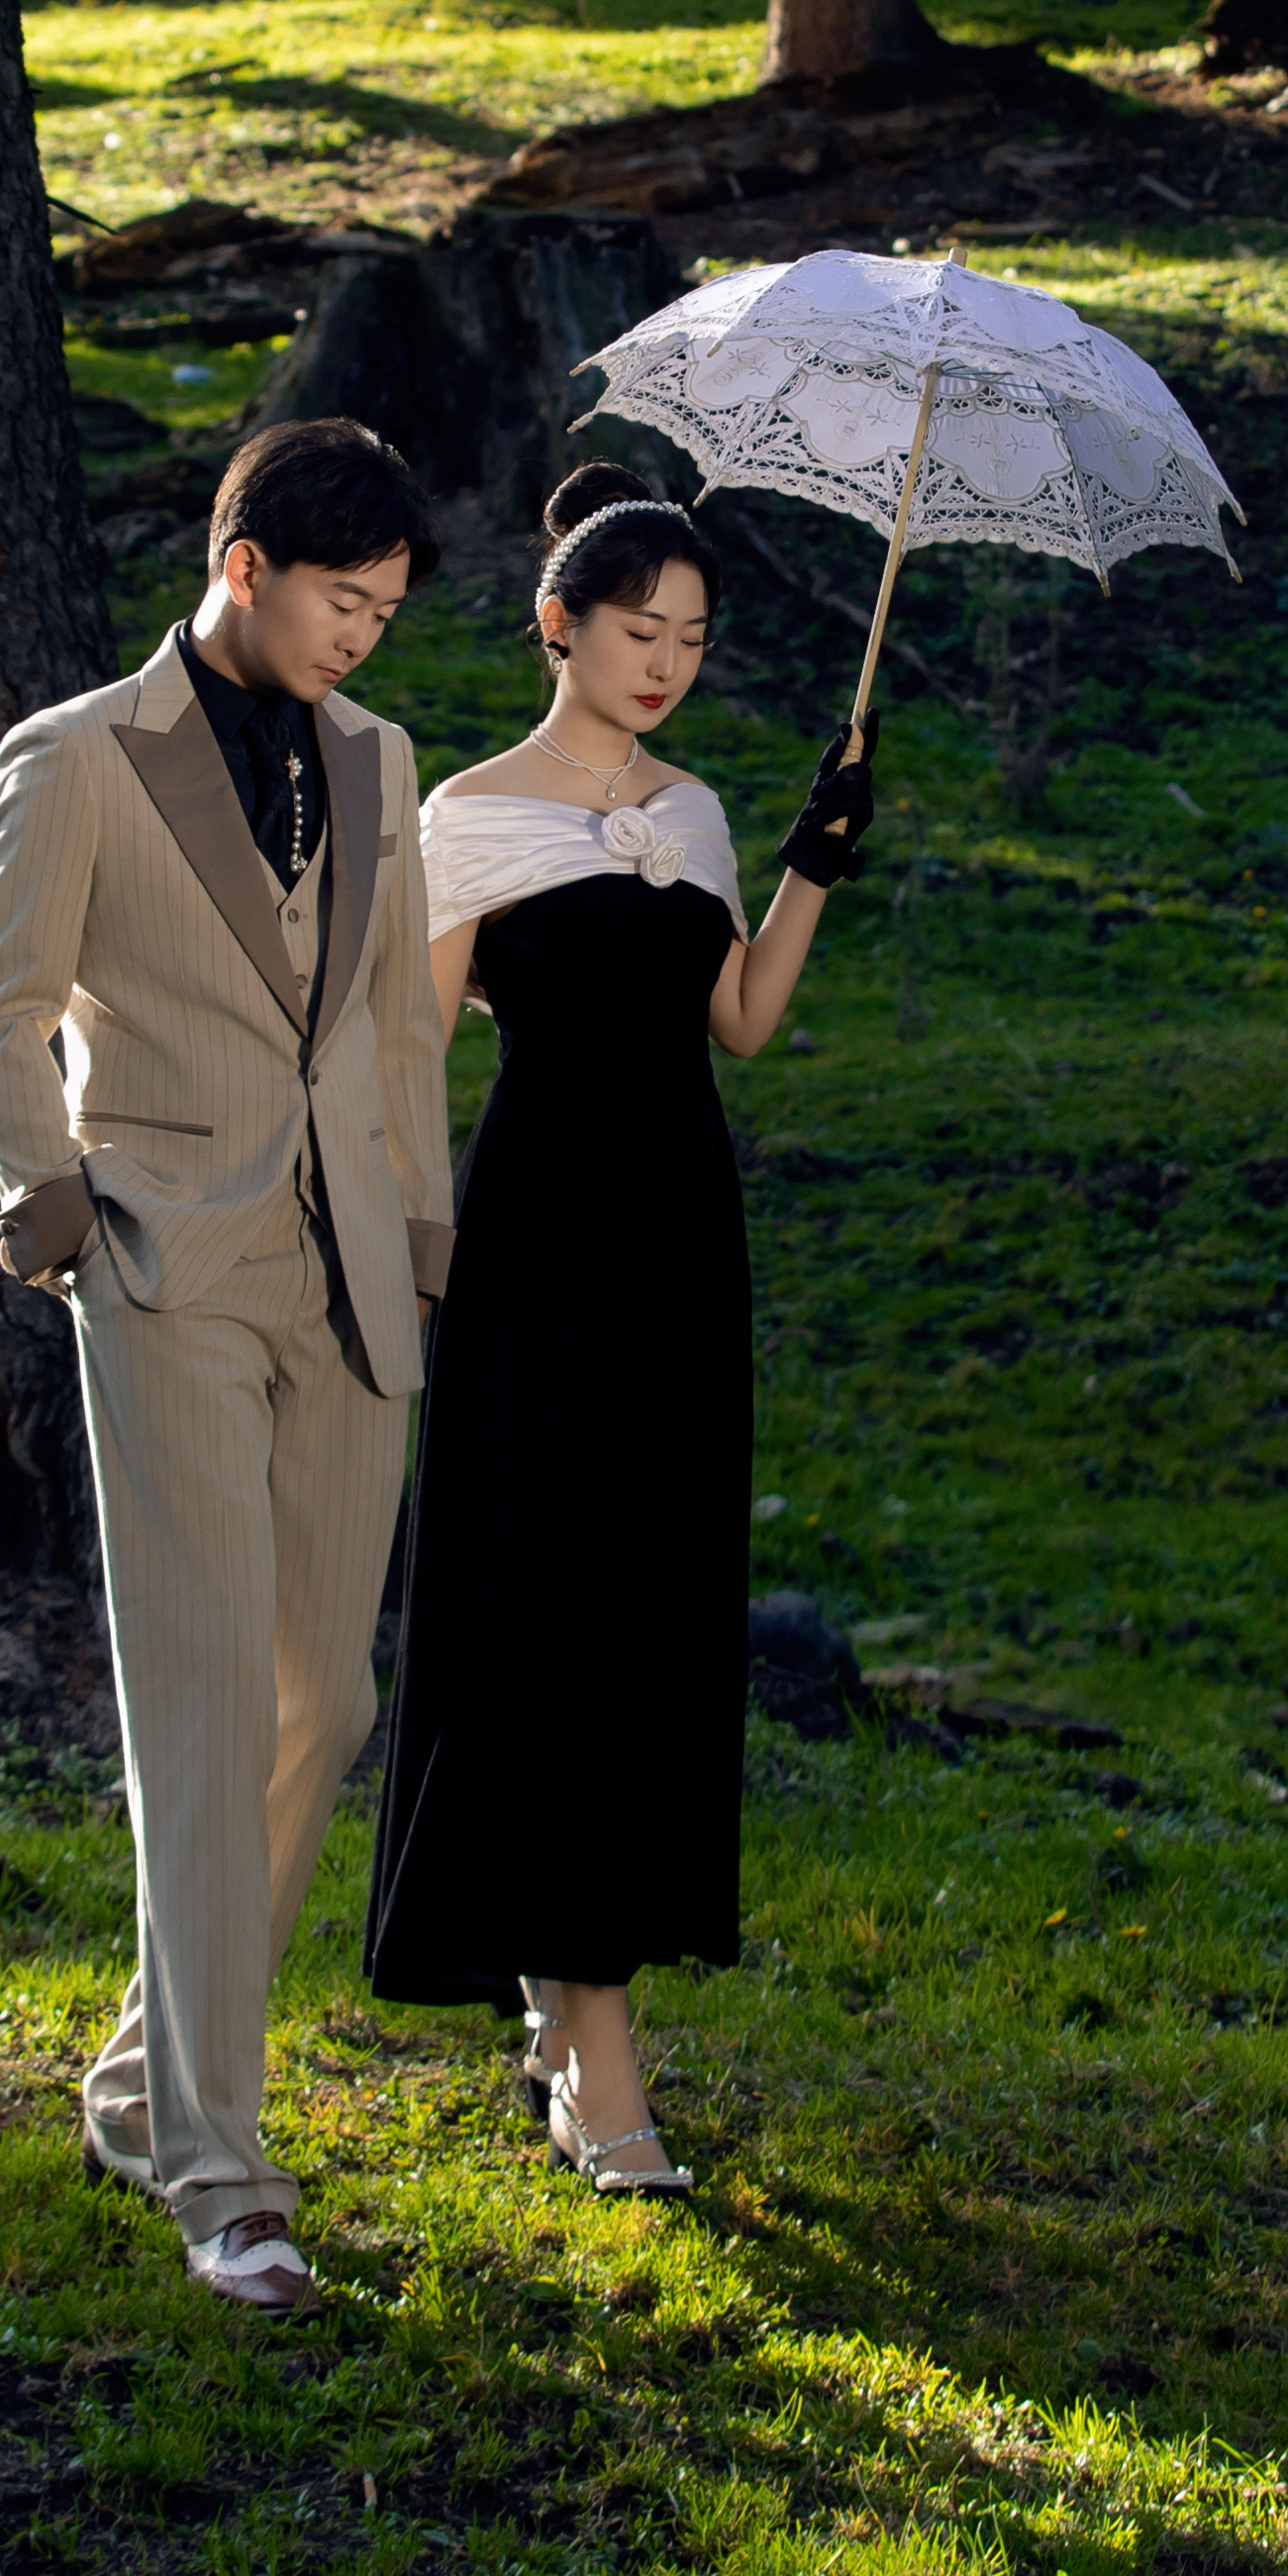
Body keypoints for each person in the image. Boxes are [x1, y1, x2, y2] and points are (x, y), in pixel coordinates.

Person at [0, 415, 455, 2315]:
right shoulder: (73, 759)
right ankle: (223, 2175)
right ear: (245, 569)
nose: (366, 643)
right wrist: (53, 1205)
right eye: (346, 604)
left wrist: (423, 1233)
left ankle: (133, 2081)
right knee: (195, 1712)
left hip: (352, 1284)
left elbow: (396, 1024)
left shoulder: (382, 758)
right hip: (166, 1267)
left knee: (321, 1699)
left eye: (391, 614)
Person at [360, 462, 874, 2190]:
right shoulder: (470, 814)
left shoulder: (705, 815)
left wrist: (810, 864)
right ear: (559, 625)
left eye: (697, 639)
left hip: (678, 1242)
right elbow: (416, 1058)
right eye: (640, 629)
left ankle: (569, 2000)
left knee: (642, 1618)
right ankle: (594, 2048)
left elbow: (738, 1025)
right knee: (545, 1607)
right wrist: (418, 1255)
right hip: (534, 1244)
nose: (668, 662)